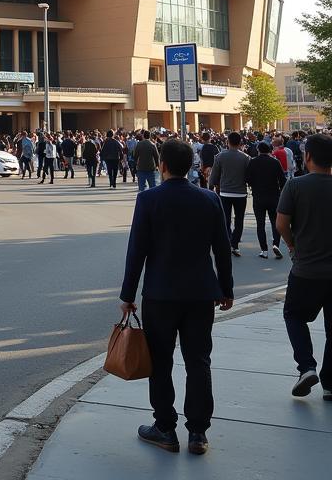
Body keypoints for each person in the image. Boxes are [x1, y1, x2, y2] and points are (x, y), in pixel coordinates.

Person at [120, 138, 234, 456]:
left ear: (163, 166)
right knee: (199, 362)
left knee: (161, 363)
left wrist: (127, 294)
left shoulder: (148, 200)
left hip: (160, 294)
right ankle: (198, 432)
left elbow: (136, 251)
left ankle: (165, 427)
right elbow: (222, 250)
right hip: (201, 295)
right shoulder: (210, 199)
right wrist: (227, 289)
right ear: (191, 166)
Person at [277, 133, 332, 400]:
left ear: (307, 156)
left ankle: (306, 366)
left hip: (306, 269)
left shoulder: (295, 186)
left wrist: (292, 245)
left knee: (294, 316)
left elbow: (281, 223)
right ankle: (331, 382)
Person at [209, 132, 250, 257]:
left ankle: (227, 241)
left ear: (228, 142)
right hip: (240, 193)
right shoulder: (246, 158)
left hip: (224, 192)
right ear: (240, 142)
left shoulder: (220, 156)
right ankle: (235, 244)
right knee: (239, 219)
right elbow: (248, 176)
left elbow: (214, 176)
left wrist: (211, 186)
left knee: (225, 219)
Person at [245, 141, 286, 259]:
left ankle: (264, 250)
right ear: (270, 150)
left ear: (258, 150)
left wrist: (254, 185)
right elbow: (283, 180)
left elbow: (247, 178)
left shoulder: (253, 162)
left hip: (258, 196)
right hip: (274, 196)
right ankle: (276, 245)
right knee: (275, 222)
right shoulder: (275, 162)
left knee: (260, 224)